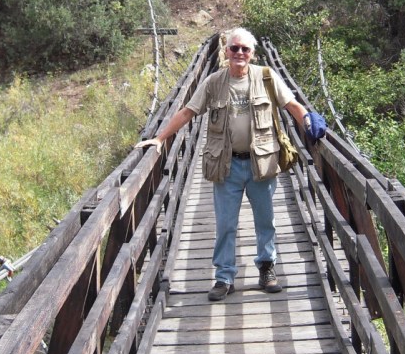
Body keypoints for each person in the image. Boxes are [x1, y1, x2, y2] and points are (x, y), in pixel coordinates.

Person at [137, 28, 327, 301]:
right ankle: (224, 278)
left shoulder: (266, 77)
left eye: (245, 49)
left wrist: (309, 122)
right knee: (226, 224)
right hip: (226, 166)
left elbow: (292, 105)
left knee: (266, 221)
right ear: (225, 51)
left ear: (252, 54)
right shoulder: (214, 82)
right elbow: (188, 112)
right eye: (234, 48)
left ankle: (266, 268)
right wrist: (159, 138)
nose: (239, 53)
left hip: (260, 163)